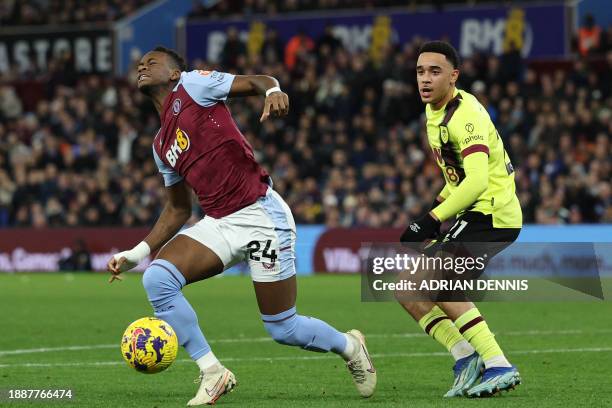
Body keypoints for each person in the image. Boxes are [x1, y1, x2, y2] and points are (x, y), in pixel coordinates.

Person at [106, 46, 376, 406]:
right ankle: (213, 372)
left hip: (261, 218)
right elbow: (177, 208)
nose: (142, 65)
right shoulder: (160, 144)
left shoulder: (192, 85)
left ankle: (350, 346)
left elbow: (255, 82)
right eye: (139, 63)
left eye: (151, 62)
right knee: (157, 278)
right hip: (219, 222)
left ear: (173, 73)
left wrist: (272, 90)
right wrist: (137, 253)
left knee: (284, 327)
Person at [398, 41, 522, 397]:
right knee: (406, 286)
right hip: (474, 211)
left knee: (438, 279)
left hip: (493, 214)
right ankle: (465, 356)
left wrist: (432, 217)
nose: (425, 79)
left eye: (435, 71)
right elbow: (457, 177)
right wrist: (434, 208)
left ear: (454, 76)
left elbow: (478, 181)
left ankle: (498, 364)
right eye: (420, 71)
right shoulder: (433, 112)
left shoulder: (465, 115)